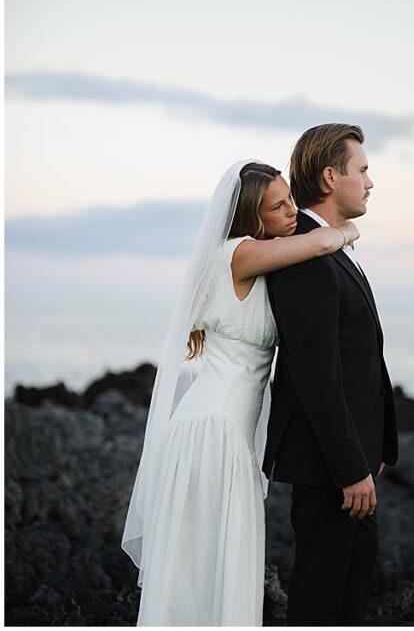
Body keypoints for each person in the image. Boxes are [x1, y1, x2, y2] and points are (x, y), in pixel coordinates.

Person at [122, 159, 359, 625]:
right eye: (278, 206)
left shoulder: (253, 258)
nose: (291, 211)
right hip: (214, 432)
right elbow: (323, 241)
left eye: (290, 197)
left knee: (209, 563)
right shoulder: (239, 253)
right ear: (252, 217)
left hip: (226, 431)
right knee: (199, 567)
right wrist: (349, 230)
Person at [262, 123, 399, 625]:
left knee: (349, 597)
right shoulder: (304, 252)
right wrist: (350, 470)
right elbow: (314, 372)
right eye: (362, 170)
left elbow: (357, 357)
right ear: (329, 176)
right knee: (321, 602)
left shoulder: (324, 244)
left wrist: (376, 446)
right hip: (328, 471)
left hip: (350, 463)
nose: (369, 182)